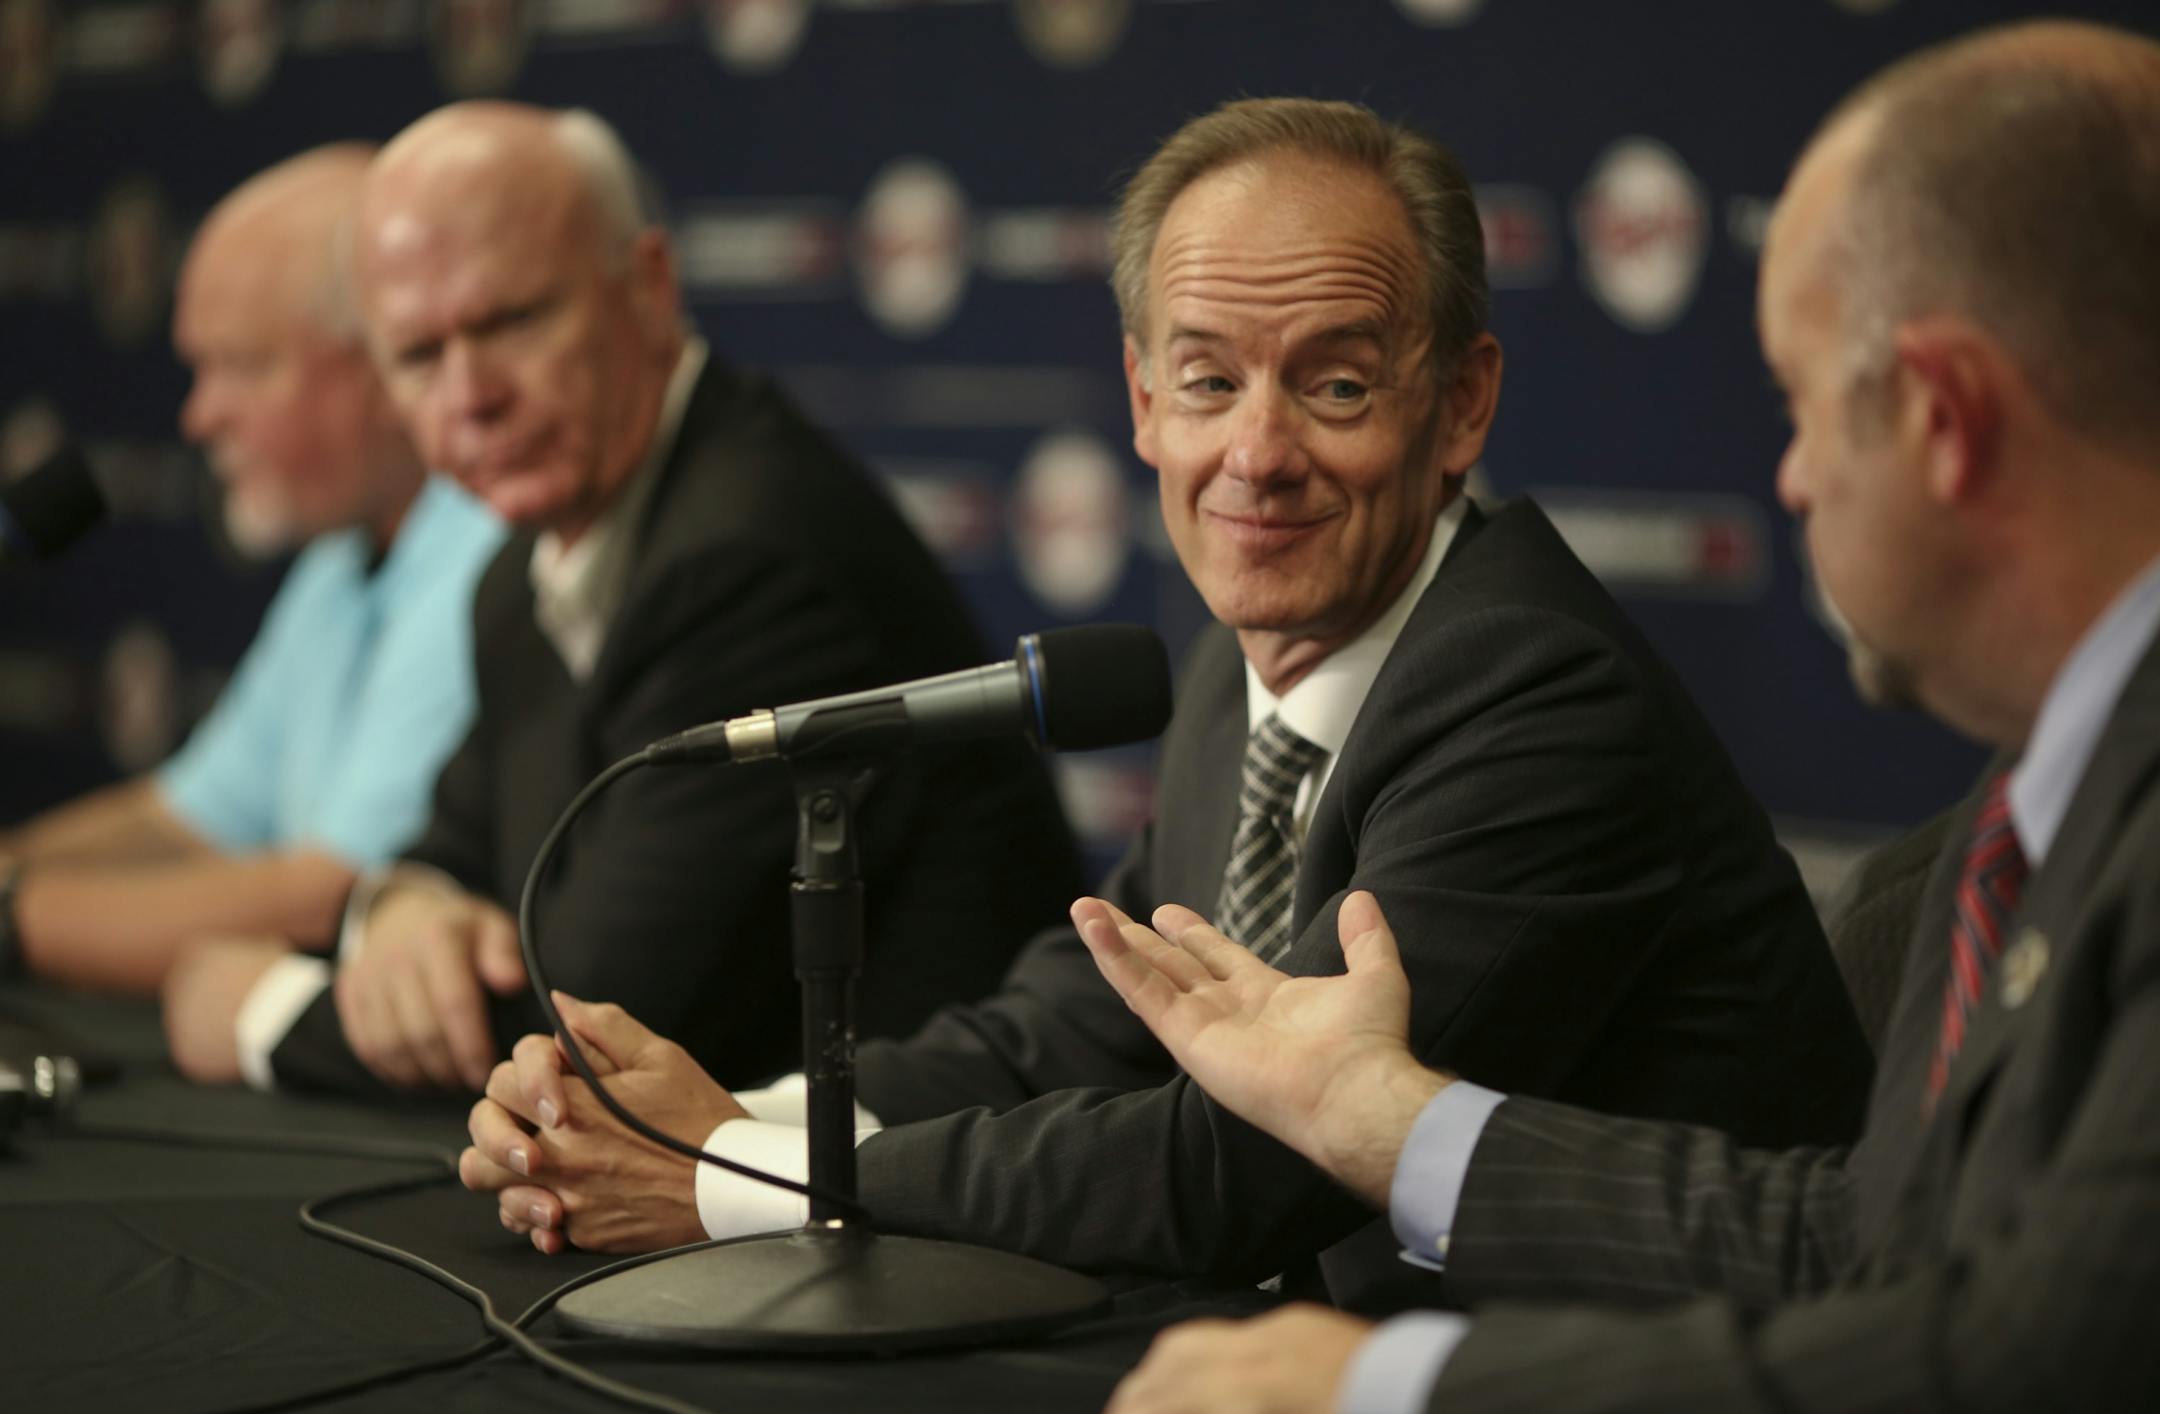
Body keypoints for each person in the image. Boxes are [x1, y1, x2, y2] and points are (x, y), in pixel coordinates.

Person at [460, 99, 1872, 1297]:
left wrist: (739, 1176)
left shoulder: (1537, 702)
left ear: (1459, 408)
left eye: (1332, 386)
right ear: (1142, 401)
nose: (1255, 456)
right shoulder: (1255, 647)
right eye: (1208, 381)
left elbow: (1246, 1163)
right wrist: (743, 1113)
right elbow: (1091, 1013)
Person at [1080, 20, 2160, 1414]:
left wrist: (1391, 1393)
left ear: (1945, 420)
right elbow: (1857, 1252)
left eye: (1800, 408)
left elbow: (2032, 1371)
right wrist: (1387, 1122)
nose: (1787, 481)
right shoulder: (2020, 823)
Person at [158, 103, 1081, 1098]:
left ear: (648, 287)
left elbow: (583, 1034)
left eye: (511, 321)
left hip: (927, 1197)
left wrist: (257, 1008)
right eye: (420, 357)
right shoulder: (525, 568)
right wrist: (405, 913)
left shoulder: (751, 554)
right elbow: (454, 846)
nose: (471, 395)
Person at [0, 146, 503, 1036]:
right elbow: (193, 817)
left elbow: (333, 896)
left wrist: (13, 915)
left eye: (241, 365)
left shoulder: (490, 550)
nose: (199, 416)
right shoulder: (343, 556)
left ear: (386, 365)